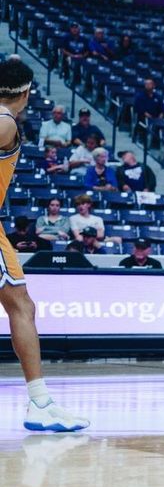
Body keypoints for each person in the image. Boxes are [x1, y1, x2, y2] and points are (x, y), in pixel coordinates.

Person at [0, 57, 90, 429]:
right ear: (26, 93)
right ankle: (39, 402)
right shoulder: (5, 120)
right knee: (21, 307)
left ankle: (40, 402)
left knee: (21, 303)